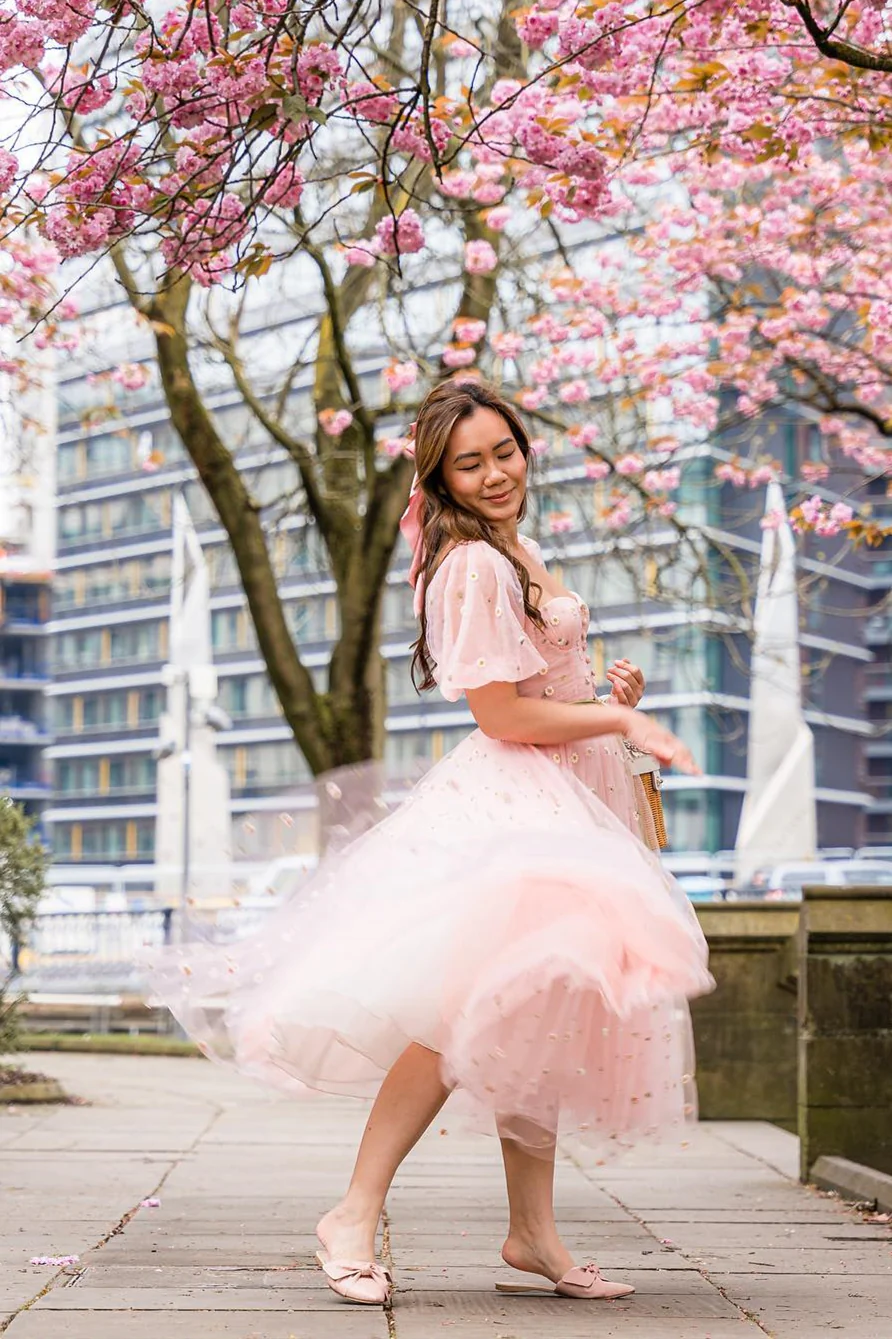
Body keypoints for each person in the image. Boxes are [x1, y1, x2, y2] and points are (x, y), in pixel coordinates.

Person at [153, 379, 713, 1308]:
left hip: (566, 794)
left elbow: (543, 683)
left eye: (506, 451)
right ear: (442, 477)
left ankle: (532, 1232)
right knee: (455, 1018)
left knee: (534, 1007)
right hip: (516, 805)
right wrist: (612, 714)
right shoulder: (474, 565)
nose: (496, 473)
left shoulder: (513, 549)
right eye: (471, 462)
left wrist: (611, 693)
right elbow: (500, 712)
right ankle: (352, 1212)